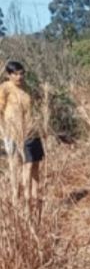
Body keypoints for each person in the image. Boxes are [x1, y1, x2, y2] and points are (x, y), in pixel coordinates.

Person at [0, 60, 44, 206]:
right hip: (13, 133)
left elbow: (34, 107)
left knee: (34, 164)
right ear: (9, 75)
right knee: (17, 166)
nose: (19, 77)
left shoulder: (27, 88)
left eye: (22, 74)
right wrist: (4, 131)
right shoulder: (5, 89)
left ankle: (35, 197)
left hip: (31, 130)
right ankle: (18, 199)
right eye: (16, 74)